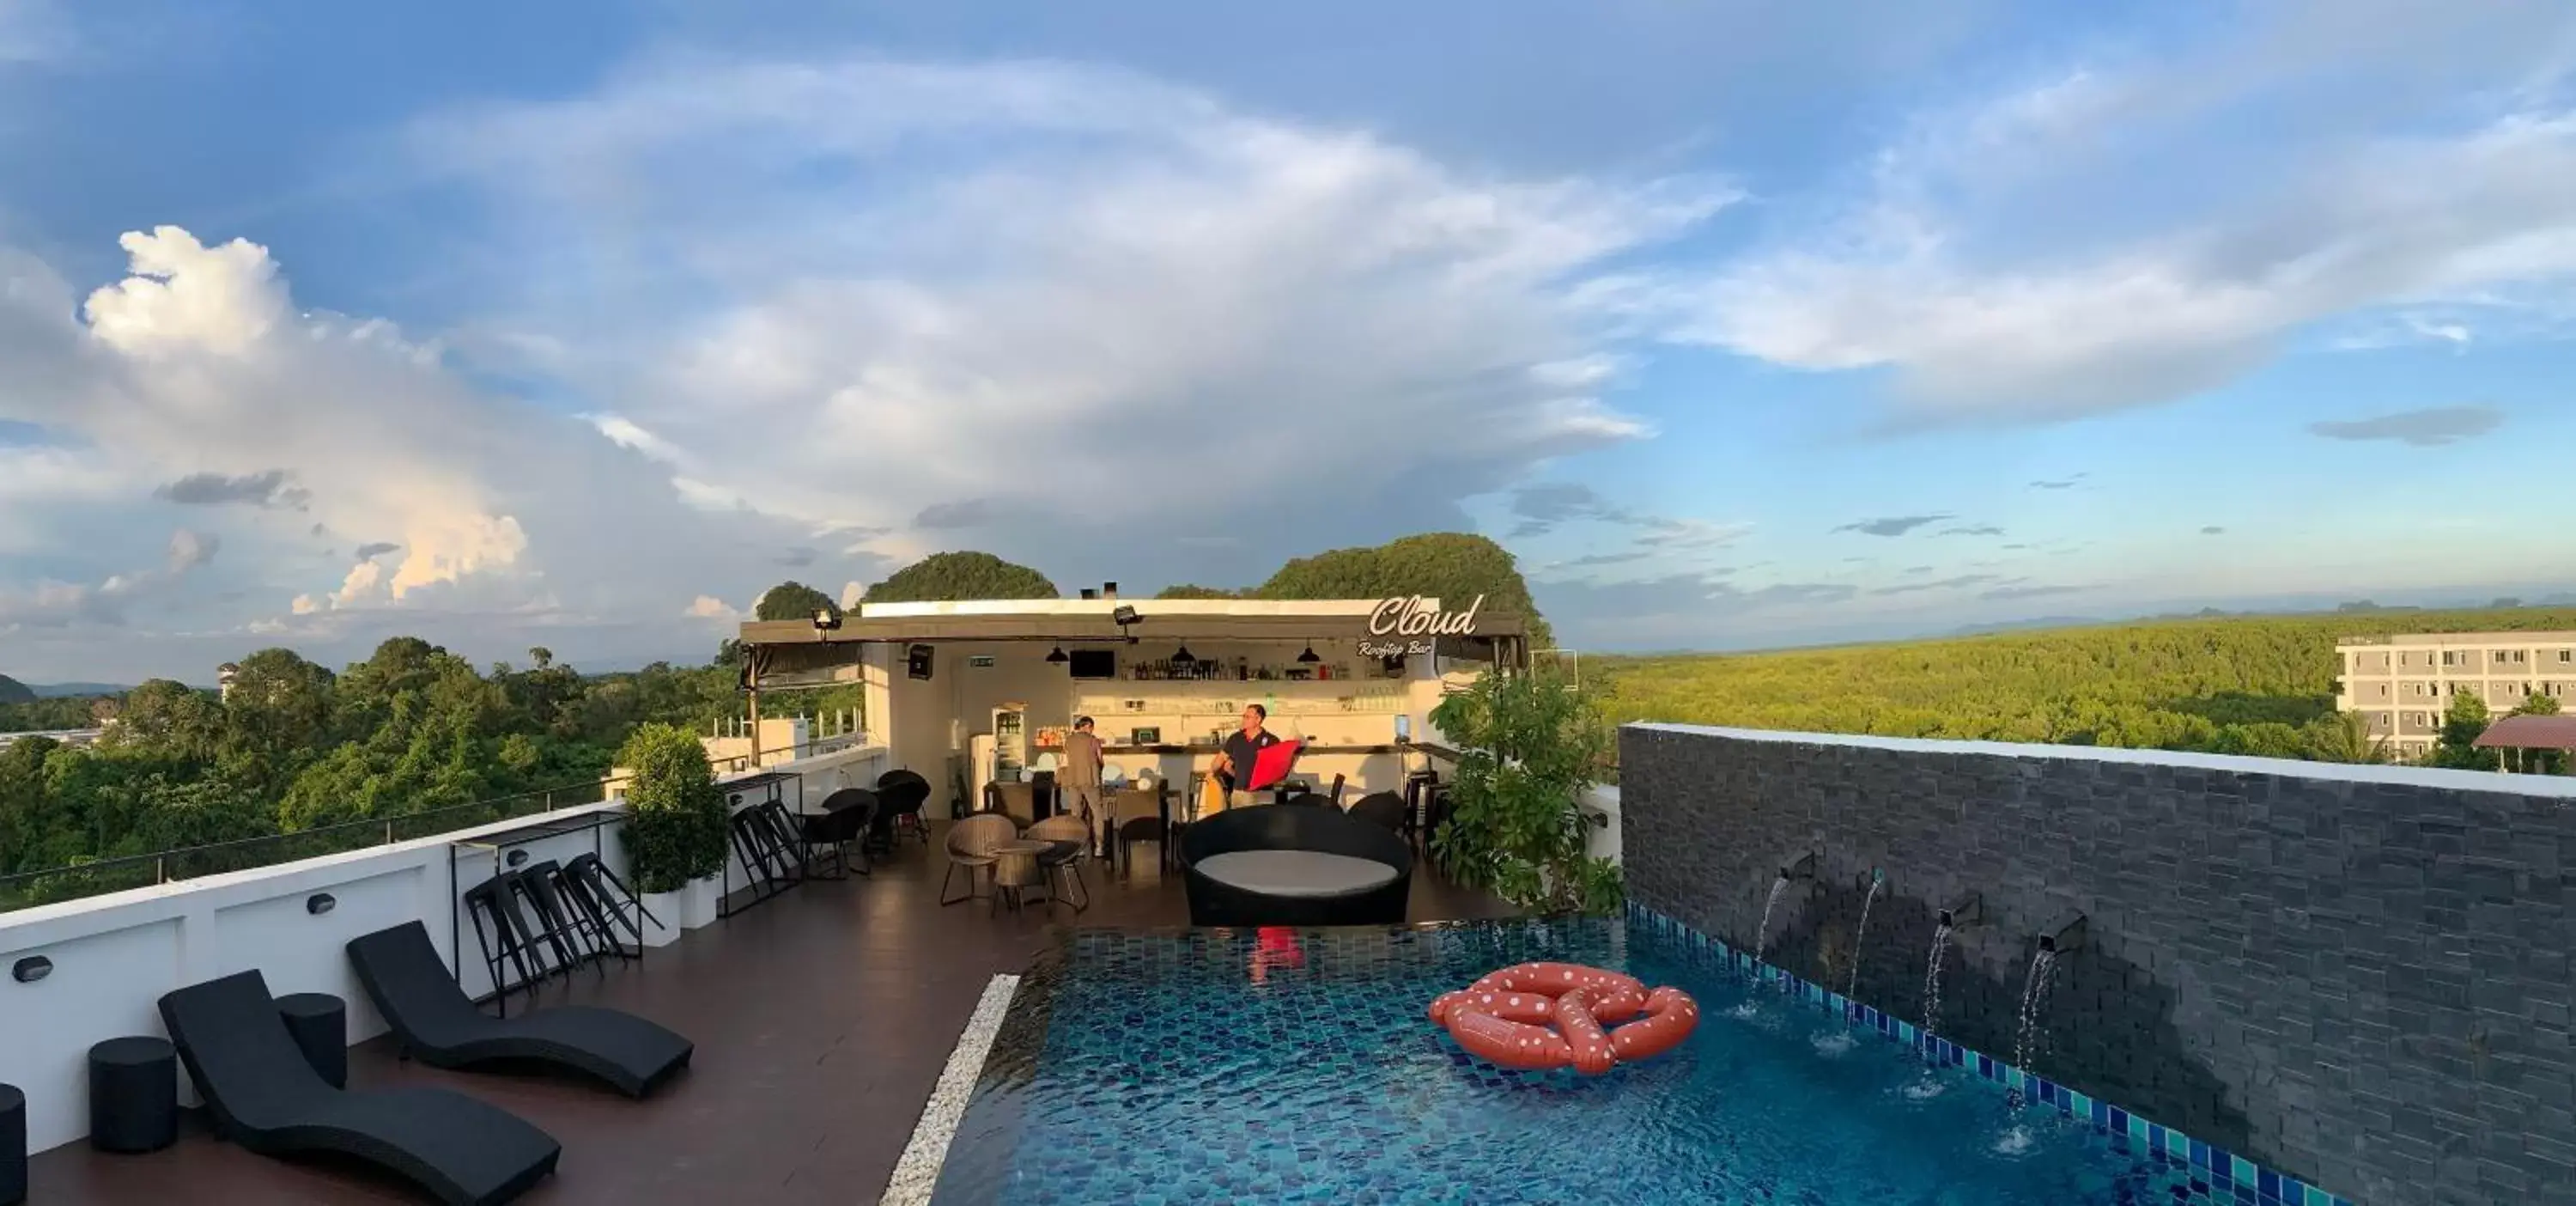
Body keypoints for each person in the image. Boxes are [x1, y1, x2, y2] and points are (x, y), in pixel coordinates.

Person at [1208, 704, 1283, 811]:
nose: (1243, 719)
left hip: (1264, 794)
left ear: (1258, 719)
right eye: (1243, 716)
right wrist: (1212, 771)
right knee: (1240, 826)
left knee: (1263, 826)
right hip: (1241, 794)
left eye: (1247, 717)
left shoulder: (1272, 740)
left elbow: (1278, 767)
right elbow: (1221, 758)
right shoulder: (1236, 738)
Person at [1060, 716, 1108, 855]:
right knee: (1097, 812)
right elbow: (1100, 760)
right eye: (1092, 727)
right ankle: (1099, 845)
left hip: (1073, 780)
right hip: (1090, 780)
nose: (1092, 730)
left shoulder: (1068, 741)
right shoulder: (1093, 741)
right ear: (1087, 726)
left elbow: (1063, 760)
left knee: (1076, 813)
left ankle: (1079, 846)